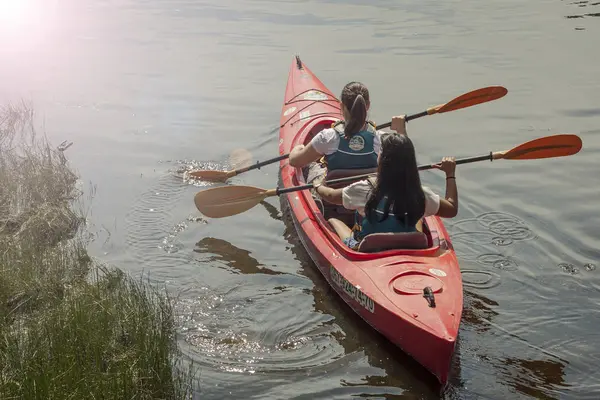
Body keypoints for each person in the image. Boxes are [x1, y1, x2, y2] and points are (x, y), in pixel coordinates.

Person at [314, 121, 458, 250]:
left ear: (382, 159)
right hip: (409, 247)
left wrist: (318, 186)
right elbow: (451, 209)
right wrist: (450, 174)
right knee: (419, 217)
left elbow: (330, 196)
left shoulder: (365, 189)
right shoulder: (420, 194)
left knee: (333, 220)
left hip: (368, 250)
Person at [288, 81, 392, 187]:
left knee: (312, 166)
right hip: (369, 200)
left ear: (341, 106)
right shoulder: (382, 140)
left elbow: (295, 162)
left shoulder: (327, 137)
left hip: (332, 199)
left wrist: (298, 148)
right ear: (368, 105)